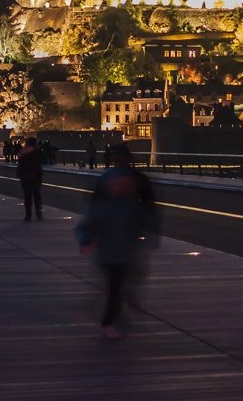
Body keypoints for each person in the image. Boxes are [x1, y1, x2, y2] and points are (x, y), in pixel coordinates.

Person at [75, 144, 158, 339]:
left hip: (121, 246)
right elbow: (148, 211)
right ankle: (110, 319)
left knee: (119, 283)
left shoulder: (113, 192)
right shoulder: (129, 193)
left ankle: (113, 314)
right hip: (116, 247)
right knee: (117, 284)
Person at [15, 137, 45, 220]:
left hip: (25, 176)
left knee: (27, 196)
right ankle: (39, 214)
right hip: (36, 175)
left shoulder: (23, 152)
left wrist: (19, 174)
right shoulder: (37, 152)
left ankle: (28, 215)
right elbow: (43, 160)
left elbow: (20, 164)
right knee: (37, 195)